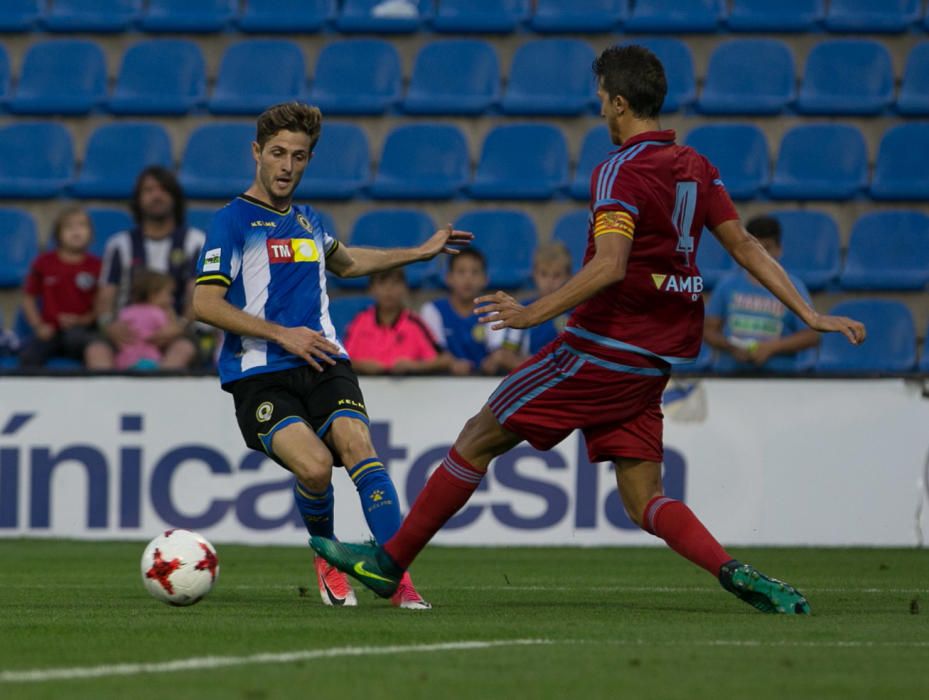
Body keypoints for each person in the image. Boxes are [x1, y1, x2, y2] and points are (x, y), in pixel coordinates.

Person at [312, 45, 867, 615]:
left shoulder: (619, 170)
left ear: (621, 103)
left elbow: (610, 265)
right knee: (643, 499)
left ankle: (389, 561)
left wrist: (533, 313)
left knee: (479, 435)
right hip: (651, 363)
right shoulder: (696, 166)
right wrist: (810, 313)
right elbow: (746, 246)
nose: (600, 109)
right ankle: (732, 569)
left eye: (603, 99)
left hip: (598, 348)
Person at [191, 102, 472, 609]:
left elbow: (346, 260)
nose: (287, 166)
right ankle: (328, 559)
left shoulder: (308, 220)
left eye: (299, 157)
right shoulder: (231, 222)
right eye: (277, 153)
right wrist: (282, 334)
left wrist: (418, 252)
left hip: (324, 362)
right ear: (256, 153)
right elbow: (203, 302)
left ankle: (395, 578)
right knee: (317, 469)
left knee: (358, 447)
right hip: (261, 374)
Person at [85, 166, 205, 370]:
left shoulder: (195, 242)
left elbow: (198, 295)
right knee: (95, 351)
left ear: (174, 197)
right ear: (138, 200)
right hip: (127, 333)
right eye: (148, 190)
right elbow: (105, 296)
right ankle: (109, 402)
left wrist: (179, 327)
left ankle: (159, 401)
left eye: (163, 190)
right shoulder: (119, 244)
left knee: (182, 350)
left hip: (177, 333)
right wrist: (109, 326)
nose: (156, 196)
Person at [704, 216, 819, 372]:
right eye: (756, 248)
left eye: (767, 248)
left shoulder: (793, 287)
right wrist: (730, 347)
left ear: (779, 249)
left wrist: (772, 348)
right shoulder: (727, 285)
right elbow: (708, 330)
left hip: (779, 379)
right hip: (731, 377)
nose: (761, 255)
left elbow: (811, 336)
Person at [20, 207, 101, 368]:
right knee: (29, 356)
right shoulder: (43, 263)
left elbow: (101, 303)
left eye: (82, 226)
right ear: (58, 234)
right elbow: (28, 298)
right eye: (69, 227)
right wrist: (38, 326)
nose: (76, 231)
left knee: (94, 351)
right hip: (49, 331)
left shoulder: (97, 265)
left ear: (91, 233)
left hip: (82, 330)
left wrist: (84, 320)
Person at [343, 268, 454, 376]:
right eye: (382, 283)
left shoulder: (415, 323)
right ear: (371, 289)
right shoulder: (360, 321)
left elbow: (444, 360)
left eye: (395, 283)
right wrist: (362, 366)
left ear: (404, 288)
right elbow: (342, 360)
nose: (388, 289)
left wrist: (414, 366)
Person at [419, 249, 506, 375]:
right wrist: (450, 364)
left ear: (485, 279)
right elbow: (433, 355)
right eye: (461, 272)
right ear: (448, 278)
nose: (468, 278)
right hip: (442, 384)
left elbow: (498, 352)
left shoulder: (494, 311)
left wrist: (494, 361)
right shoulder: (432, 310)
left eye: (475, 272)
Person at [496, 242, 574, 372]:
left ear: (568, 276)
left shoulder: (575, 312)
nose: (549, 281)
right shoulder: (521, 309)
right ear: (534, 275)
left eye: (556, 275)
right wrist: (534, 367)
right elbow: (506, 354)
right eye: (544, 274)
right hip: (531, 375)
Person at [115, 271, 176, 370]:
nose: (171, 299)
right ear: (153, 294)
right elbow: (169, 332)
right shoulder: (157, 313)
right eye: (168, 294)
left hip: (124, 361)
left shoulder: (127, 311)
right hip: (150, 360)